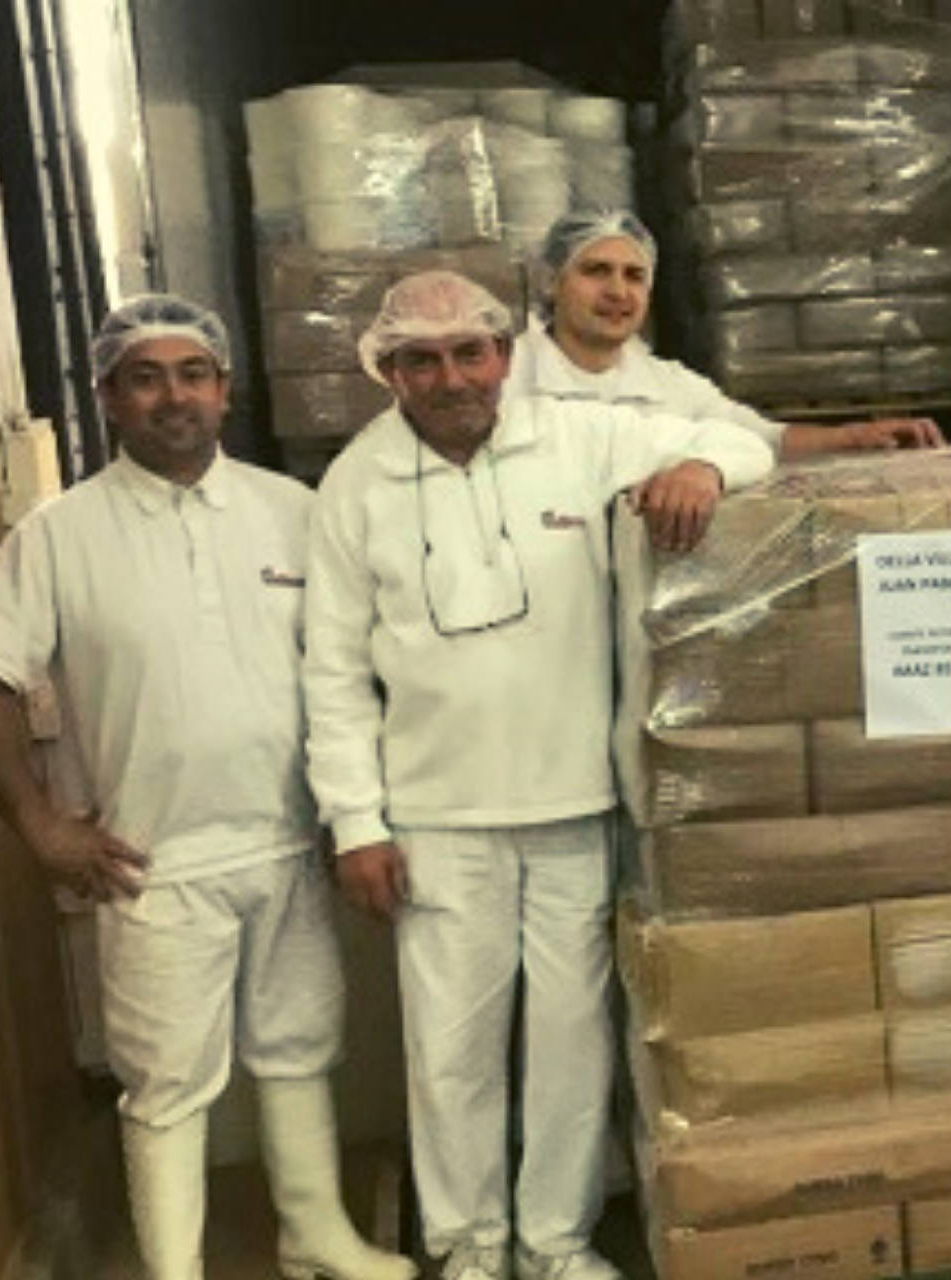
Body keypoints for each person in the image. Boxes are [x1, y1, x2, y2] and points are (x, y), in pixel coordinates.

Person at [302, 271, 773, 1280]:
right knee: (451, 1047)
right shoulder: (356, 483)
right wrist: (356, 823)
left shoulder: (577, 436)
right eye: (422, 360)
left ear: (504, 356)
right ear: (389, 372)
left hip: (575, 803)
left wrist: (700, 467)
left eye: (470, 353)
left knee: (571, 1040)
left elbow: (748, 441)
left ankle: (556, 1241)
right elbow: (331, 671)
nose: (451, 378)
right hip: (433, 817)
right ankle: (469, 1246)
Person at [0, 296, 415, 1280]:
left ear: (224, 389)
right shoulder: (61, 534)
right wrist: (39, 825)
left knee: (298, 1048)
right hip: (151, 862)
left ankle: (315, 1233)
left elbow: (353, 667)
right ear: (110, 397)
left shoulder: (293, 512)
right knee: (165, 1085)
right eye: (146, 378)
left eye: (193, 374)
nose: (174, 397)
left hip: (290, 843)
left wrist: (353, 810)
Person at [506, 207, 947, 464]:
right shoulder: (505, 378)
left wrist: (854, 437)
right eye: (596, 271)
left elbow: (767, 438)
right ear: (552, 281)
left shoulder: (671, 386)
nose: (618, 292)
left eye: (634, 276)